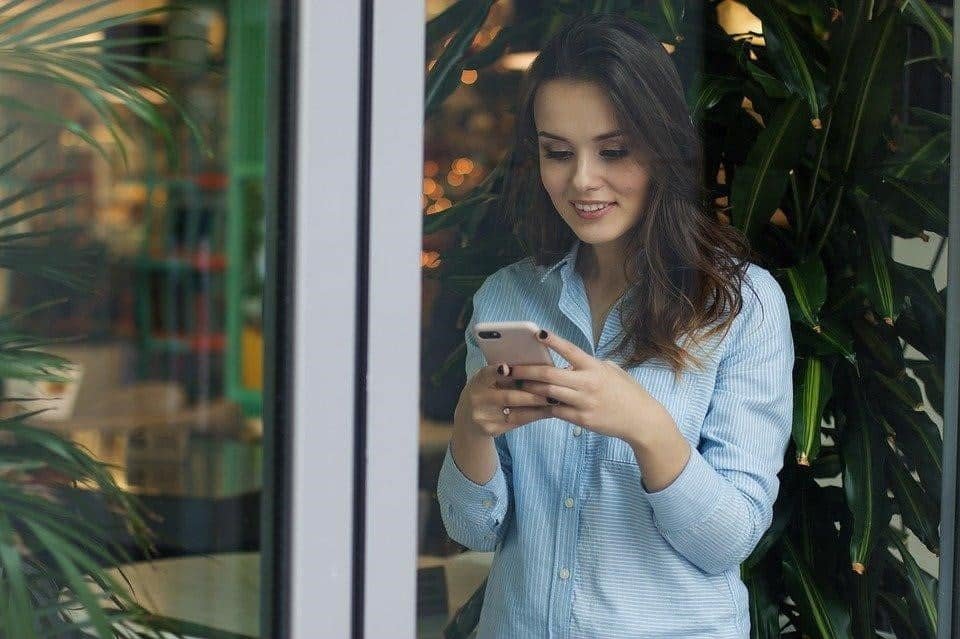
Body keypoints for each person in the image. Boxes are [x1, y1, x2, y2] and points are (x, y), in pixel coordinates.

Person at [436, 12, 794, 639]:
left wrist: (649, 431)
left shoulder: (741, 307)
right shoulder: (509, 298)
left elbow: (730, 540)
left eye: (613, 151)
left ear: (660, 149)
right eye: (557, 153)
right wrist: (471, 428)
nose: (582, 181)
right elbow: (474, 530)